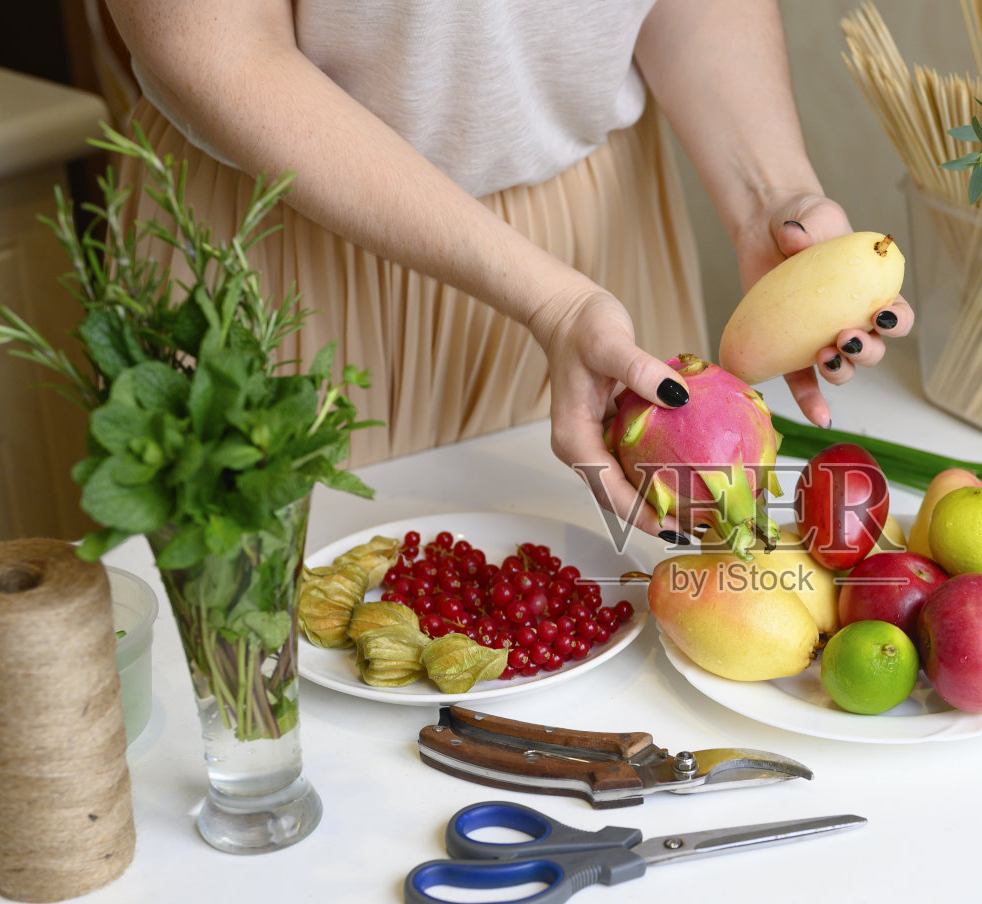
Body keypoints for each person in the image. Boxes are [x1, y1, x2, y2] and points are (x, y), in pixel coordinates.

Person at [103, 0, 912, 542]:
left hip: (593, 249)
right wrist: (551, 304)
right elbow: (214, 47)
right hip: (285, 248)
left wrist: (770, 195)